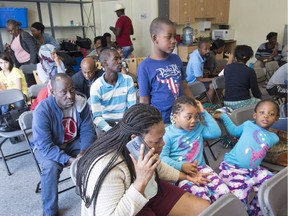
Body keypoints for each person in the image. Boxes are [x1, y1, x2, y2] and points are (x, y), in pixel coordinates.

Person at [76, 103, 210, 216]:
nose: (162, 144)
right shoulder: (107, 168)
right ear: (135, 139)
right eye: (157, 141)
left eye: (162, 138)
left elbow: (158, 166)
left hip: (147, 190)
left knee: (205, 209)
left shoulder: (141, 148)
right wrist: (140, 182)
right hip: (126, 206)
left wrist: (186, 177)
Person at [32, 73, 96, 216]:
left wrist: (83, 152)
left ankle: (95, 198)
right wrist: (70, 160)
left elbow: (88, 132)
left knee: (93, 155)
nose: (70, 95)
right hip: (48, 147)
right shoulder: (42, 111)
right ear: (53, 92)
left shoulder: (81, 103)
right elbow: (45, 146)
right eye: (63, 92)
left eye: (72, 90)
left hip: (71, 142)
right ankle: (50, 211)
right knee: (51, 167)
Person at [214, 99, 280, 215]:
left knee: (273, 187)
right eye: (262, 112)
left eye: (271, 114)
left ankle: (254, 211)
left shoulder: (274, 138)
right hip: (232, 168)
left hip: (254, 170)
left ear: (276, 119)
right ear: (255, 115)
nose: (266, 116)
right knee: (238, 200)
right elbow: (234, 131)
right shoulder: (248, 124)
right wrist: (224, 116)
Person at [160, 96, 230, 203]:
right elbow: (162, 158)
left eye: (196, 116)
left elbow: (216, 133)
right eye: (188, 117)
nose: (193, 121)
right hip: (181, 175)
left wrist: (203, 112)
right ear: (176, 117)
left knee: (225, 194)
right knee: (202, 201)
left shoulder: (197, 127)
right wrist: (182, 166)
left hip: (201, 168)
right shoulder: (167, 134)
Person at [138, 17, 194, 124]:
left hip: (182, 118)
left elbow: (185, 87)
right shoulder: (145, 66)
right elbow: (144, 100)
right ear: (155, 38)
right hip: (161, 120)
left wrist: (194, 106)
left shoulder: (176, 59)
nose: (174, 41)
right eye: (169, 37)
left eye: (175, 37)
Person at [90, 48, 136, 133]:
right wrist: (110, 130)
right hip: (106, 123)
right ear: (105, 63)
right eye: (116, 59)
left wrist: (125, 126)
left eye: (120, 58)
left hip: (125, 122)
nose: (120, 61)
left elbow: (132, 109)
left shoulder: (128, 80)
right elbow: (96, 117)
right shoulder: (96, 86)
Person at [224, 45, 262, 110]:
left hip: (227, 103)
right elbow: (255, 93)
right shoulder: (250, 71)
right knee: (263, 104)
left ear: (235, 56)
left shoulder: (227, 68)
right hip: (242, 103)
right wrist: (261, 98)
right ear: (248, 57)